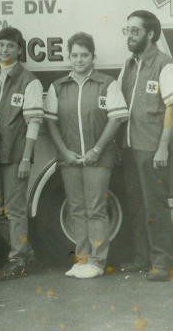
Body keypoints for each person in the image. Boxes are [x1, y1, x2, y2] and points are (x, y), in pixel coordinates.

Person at [44, 32, 129, 279]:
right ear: (69, 57)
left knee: (96, 209)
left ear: (93, 57)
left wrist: (96, 150)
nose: (79, 60)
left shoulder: (107, 84)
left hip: (99, 158)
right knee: (76, 209)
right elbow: (51, 124)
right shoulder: (58, 87)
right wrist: (65, 152)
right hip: (69, 158)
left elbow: (115, 119)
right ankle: (81, 260)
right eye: (75, 55)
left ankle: (98, 261)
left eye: (84, 55)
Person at [117, 10, 173, 282]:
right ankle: (142, 258)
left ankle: (161, 263)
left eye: (135, 31)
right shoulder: (130, 64)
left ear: (151, 34)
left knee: (154, 206)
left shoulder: (165, 65)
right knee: (136, 205)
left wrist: (163, 147)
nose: (129, 36)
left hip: (152, 149)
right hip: (131, 147)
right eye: (127, 30)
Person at [0, 27, 44, 280]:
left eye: (10, 46)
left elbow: (34, 122)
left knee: (15, 210)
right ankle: (27, 254)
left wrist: (26, 158)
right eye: (1, 45)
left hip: (16, 155)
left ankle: (17, 260)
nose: (4, 50)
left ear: (19, 49)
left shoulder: (29, 81)